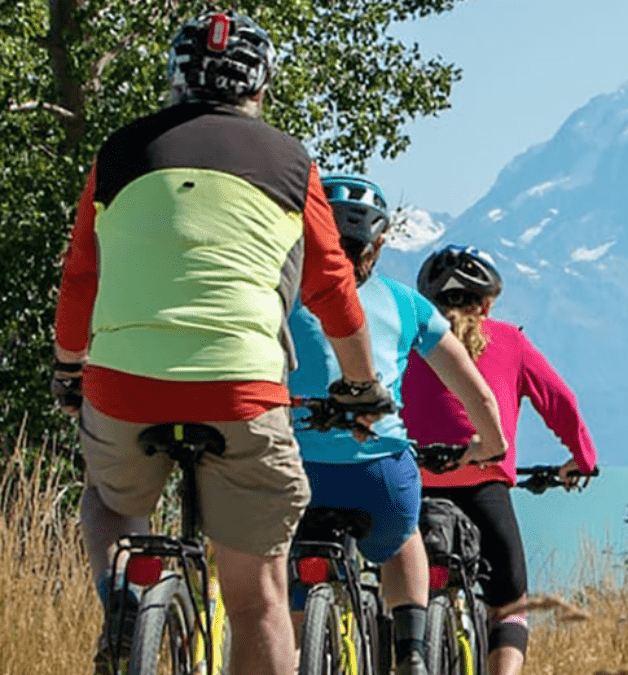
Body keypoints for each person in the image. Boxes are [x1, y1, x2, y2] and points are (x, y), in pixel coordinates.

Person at [49, 12, 393, 675]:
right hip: (242, 391)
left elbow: (81, 277)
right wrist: (361, 385)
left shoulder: (119, 153)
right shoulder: (292, 163)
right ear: (259, 88)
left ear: (177, 81)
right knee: (258, 597)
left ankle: (126, 601)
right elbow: (332, 289)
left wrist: (69, 367)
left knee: (111, 498)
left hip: (124, 385)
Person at [287, 176, 508, 675]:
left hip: (297, 469)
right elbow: (477, 394)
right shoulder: (408, 304)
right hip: (378, 471)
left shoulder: (285, 296)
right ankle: (410, 647)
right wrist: (487, 446)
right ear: (379, 242)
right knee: (404, 534)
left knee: (289, 573)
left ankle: (301, 647)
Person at [400, 245, 599, 675]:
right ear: (487, 303)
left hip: (411, 485)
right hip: (483, 488)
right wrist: (580, 458)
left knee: (396, 598)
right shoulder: (509, 340)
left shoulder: (407, 340)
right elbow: (561, 401)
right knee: (510, 607)